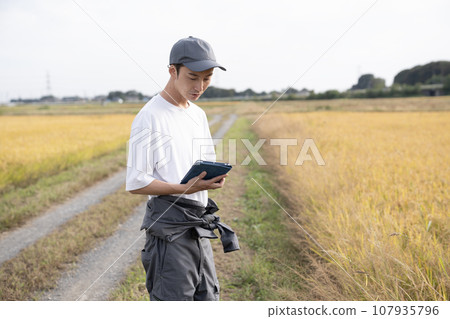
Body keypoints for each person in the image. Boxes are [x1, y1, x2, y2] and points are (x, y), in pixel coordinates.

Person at [126, 36, 239, 301]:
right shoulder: (149, 117)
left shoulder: (197, 114)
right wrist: (184, 188)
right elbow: (136, 182)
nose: (200, 86)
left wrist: (212, 179)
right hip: (169, 230)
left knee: (208, 298)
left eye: (207, 78)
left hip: (198, 226)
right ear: (172, 71)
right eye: (192, 77)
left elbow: (203, 161)